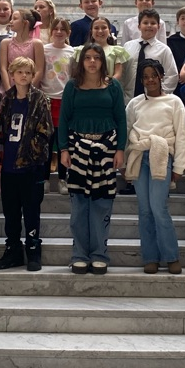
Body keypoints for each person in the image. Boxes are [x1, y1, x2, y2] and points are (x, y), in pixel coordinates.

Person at [58, 43, 126, 275]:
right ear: (81, 61)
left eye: (97, 57)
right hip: (77, 148)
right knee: (79, 205)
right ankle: (79, 254)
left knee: (101, 203)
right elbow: (63, 120)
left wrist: (120, 149)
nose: (92, 62)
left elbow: (121, 119)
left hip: (107, 148)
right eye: (87, 57)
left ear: (102, 61)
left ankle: (99, 255)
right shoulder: (72, 87)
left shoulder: (113, 86)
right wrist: (64, 149)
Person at [124, 59, 185, 275]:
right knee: (144, 210)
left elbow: (181, 135)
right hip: (139, 156)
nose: (150, 80)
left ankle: (171, 256)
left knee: (159, 208)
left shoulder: (174, 101)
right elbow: (127, 130)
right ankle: (150, 257)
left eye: (154, 75)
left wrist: (179, 165)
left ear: (161, 76)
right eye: (146, 76)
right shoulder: (134, 104)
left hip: (162, 154)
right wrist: (124, 162)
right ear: (141, 80)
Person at [0, 57, 53, 271]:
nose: (24, 76)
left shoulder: (39, 99)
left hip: (31, 167)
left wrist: (31, 154)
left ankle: (33, 249)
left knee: (31, 211)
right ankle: (13, 250)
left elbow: (46, 131)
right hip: (8, 167)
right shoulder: (6, 99)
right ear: (12, 74)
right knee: (10, 212)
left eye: (28, 72)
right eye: (20, 72)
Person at [41, 17, 75, 195]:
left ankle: (63, 178)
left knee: (63, 142)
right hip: (46, 99)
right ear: (51, 31)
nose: (59, 32)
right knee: (46, 141)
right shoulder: (44, 49)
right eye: (56, 28)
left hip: (64, 100)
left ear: (68, 33)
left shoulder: (72, 52)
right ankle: (45, 178)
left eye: (63, 29)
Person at [121, 8, 178, 104]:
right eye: (145, 23)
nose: (149, 26)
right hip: (128, 99)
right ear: (139, 26)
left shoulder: (164, 50)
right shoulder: (128, 46)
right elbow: (122, 73)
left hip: (154, 101)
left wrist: (159, 94)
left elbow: (172, 75)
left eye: (153, 23)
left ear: (158, 26)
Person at [0, 8, 45, 93]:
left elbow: (39, 70)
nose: (11, 22)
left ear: (25, 23)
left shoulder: (37, 44)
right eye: (11, 19)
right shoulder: (5, 43)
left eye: (15, 19)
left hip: (30, 89)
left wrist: (28, 90)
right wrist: (9, 90)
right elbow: (3, 69)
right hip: (11, 87)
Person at [73, 16, 129, 81]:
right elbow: (78, 72)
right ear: (91, 31)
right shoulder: (81, 50)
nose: (100, 31)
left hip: (109, 87)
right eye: (96, 28)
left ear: (109, 30)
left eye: (104, 28)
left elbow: (118, 74)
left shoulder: (117, 51)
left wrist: (105, 84)